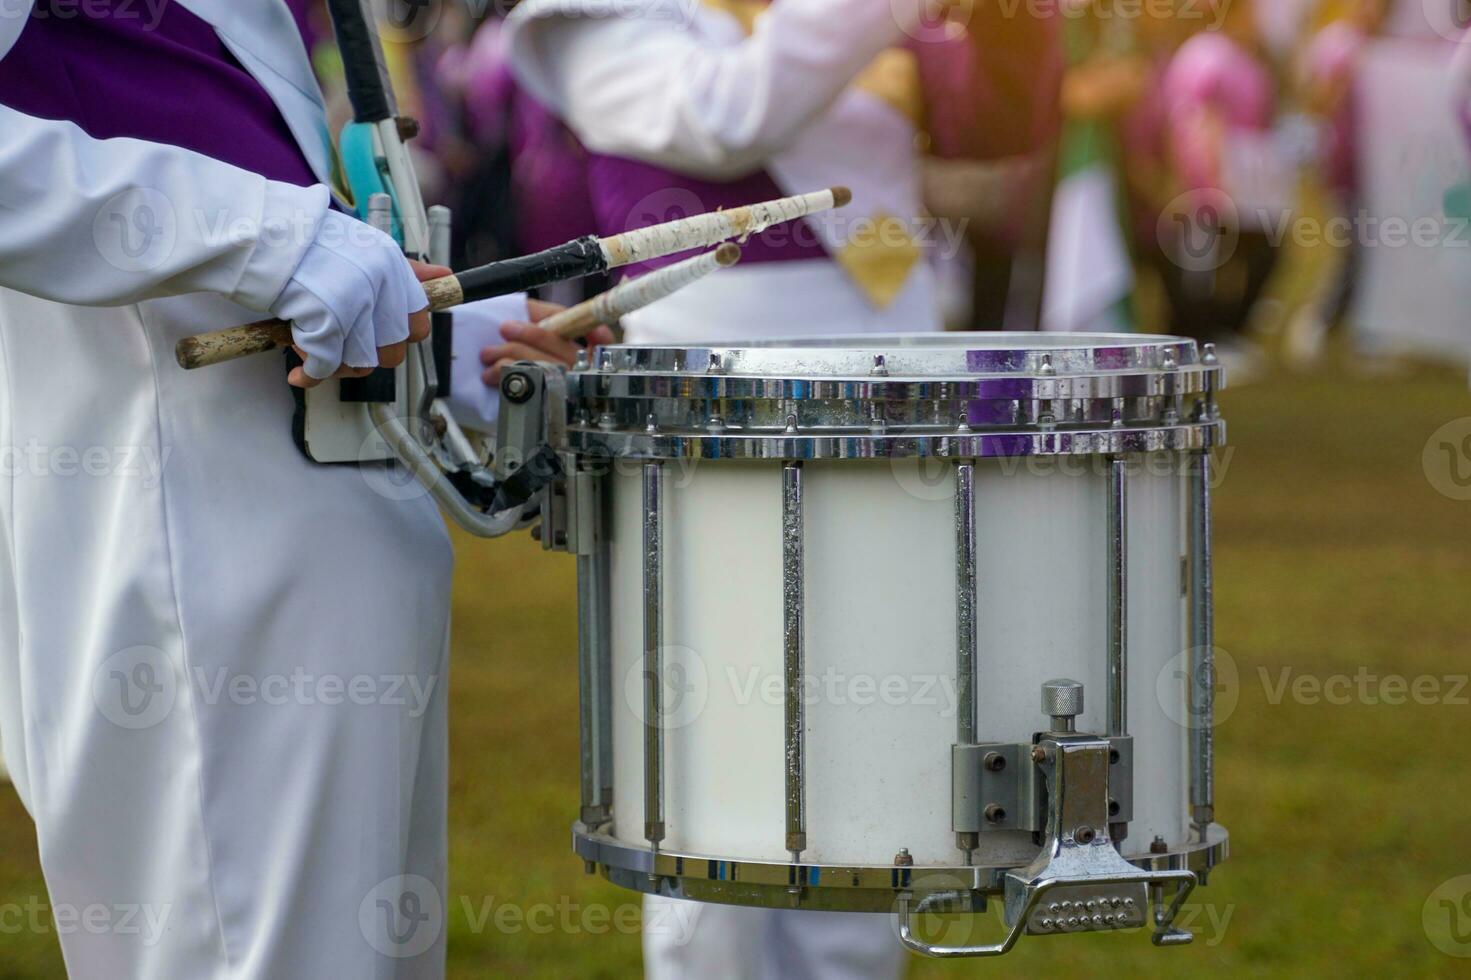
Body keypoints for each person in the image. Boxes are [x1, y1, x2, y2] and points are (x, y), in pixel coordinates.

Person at [0, 3, 592, 976]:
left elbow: (258, 194)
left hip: (324, 527)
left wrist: (457, 337)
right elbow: (243, 231)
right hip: (193, 541)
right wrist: (271, 240)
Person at [499, 0, 984, 975]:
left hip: (898, 362)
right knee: (713, 739)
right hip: (710, 391)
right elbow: (721, 114)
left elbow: (989, 128)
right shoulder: (596, 14)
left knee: (873, 718)